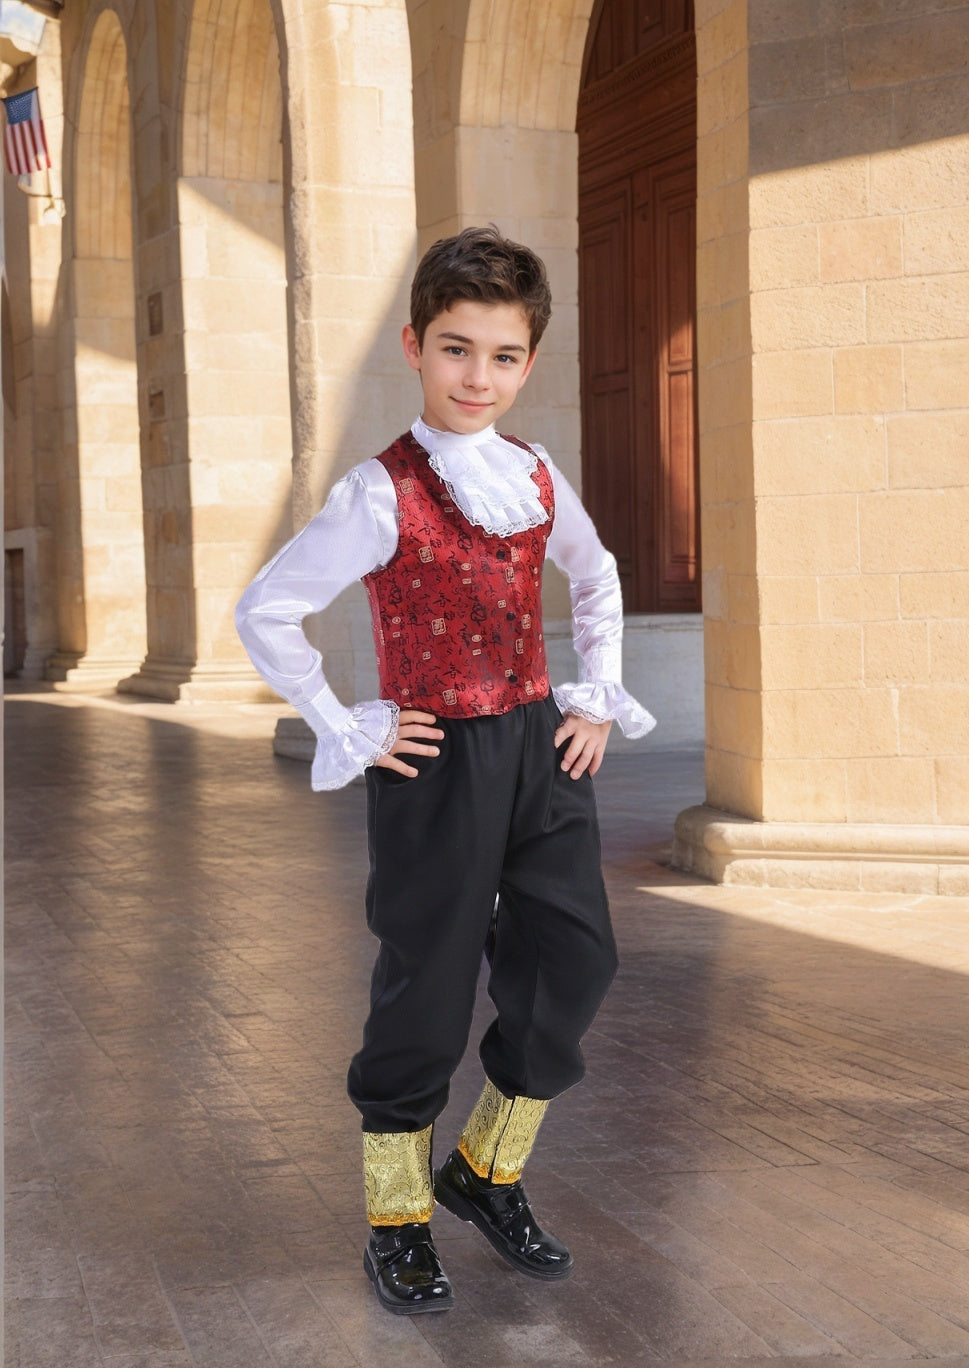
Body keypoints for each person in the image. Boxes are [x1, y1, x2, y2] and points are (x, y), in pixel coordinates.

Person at [235, 225, 655, 1315]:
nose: (479, 377)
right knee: (426, 989)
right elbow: (268, 609)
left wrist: (596, 695)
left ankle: (484, 1170)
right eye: (457, 349)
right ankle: (397, 1215)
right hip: (435, 763)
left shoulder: (536, 474)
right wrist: (347, 723)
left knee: (575, 963)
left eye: (503, 356)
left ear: (529, 361)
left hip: (539, 748)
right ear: (416, 346)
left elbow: (597, 577)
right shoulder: (379, 492)